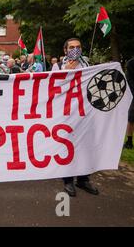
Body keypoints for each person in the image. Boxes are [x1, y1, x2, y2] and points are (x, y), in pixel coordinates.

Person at [52, 37, 98, 197]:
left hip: (84, 113)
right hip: (65, 113)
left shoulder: (87, 66)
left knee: (85, 146)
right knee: (68, 146)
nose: (75, 50)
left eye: (78, 47)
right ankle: (68, 181)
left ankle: (84, 179)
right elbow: (52, 88)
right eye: (71, 47)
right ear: (65, 50)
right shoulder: (57, 66)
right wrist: (67, 71)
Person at [125, 57, 134, 149]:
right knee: (131, 119)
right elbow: (129, 80)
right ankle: (129, 142)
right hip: (133, 95)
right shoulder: (130, 64)